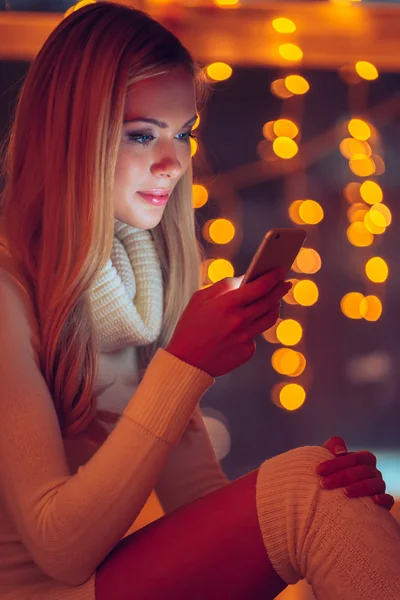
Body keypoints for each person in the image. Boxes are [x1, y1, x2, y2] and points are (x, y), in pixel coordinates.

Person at [0, 2, 399, 599]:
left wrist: (322, 484)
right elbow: (62, 551)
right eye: (142, 134)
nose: (175, 162)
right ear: (70, 135)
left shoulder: (144, 282)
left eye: (183, 132)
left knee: (320, 485)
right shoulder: (7, 289)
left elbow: (193, 499)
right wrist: (185, 364)